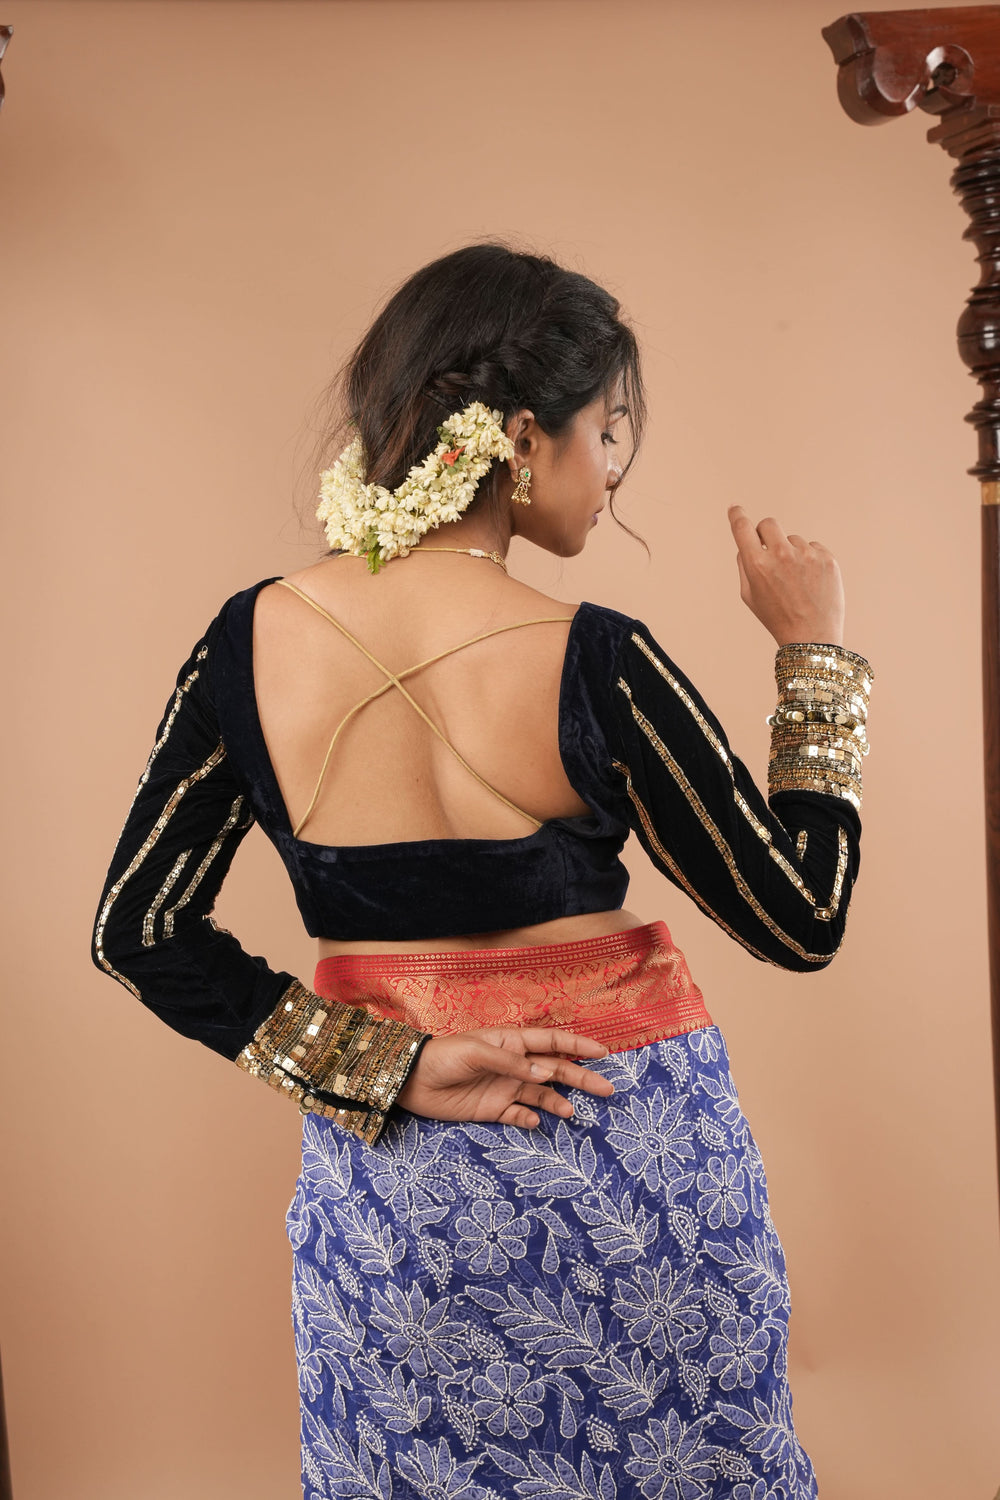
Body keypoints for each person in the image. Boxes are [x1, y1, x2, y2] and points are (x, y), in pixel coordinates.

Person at [92, 242, 872, 1500]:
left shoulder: (249, 641)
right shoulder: (599, 658)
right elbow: (801, 916)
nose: (612, 473)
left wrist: (380, 1068)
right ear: (520, 438)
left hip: (398, 1197)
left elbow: (138, 930)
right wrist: (812, 655)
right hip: (633, 1169)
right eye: (606, 431)